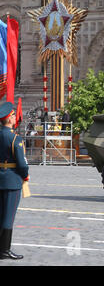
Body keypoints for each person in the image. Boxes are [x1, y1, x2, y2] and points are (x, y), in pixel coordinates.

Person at [0, 102, 29, 260]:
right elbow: (22, 163)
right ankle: (4, 250)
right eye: (13, 115)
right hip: (12, 180)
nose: (14, 117)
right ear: (9, 119)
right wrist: (25, 175)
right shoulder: (15, 138)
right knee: (8, 217)